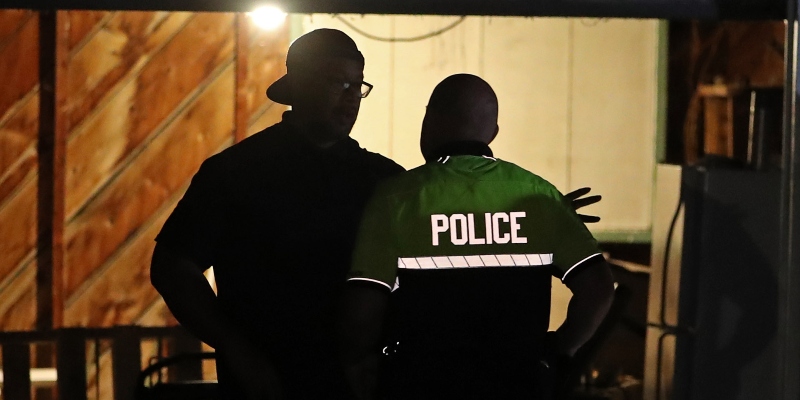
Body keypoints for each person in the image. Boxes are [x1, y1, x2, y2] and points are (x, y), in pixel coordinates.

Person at [150, 29, 405, 400]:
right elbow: (173, 268)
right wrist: (241, 354)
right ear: (299, 86)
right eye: (338, 82)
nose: (351, 97)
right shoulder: (236, 174)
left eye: (358, 85)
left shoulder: (385, 180)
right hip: (268, 385)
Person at [339, 74, 615, 400]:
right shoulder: (541, 196)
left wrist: (356, 363)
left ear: (430, 118)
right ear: (493, 131)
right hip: (519, 385)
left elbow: (362, 314)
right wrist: (555, 352)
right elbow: (598, 289)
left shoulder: (395, 199)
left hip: (421, 384)